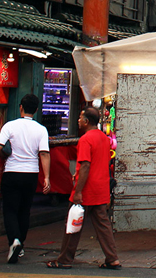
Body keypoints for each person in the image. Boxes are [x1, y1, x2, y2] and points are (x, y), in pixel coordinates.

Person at [47, 107, 121, 270]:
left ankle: (65, 259)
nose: (78, 120)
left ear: (87, 121)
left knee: (73, 224)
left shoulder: (85, 140)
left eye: (80, 117)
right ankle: (112, 257)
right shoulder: (104, 138)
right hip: (101, 189)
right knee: (103, 226)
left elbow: (86, 165)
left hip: (86, 189)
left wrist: (78, 190)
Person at [0, 93, 51, 263]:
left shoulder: (9, 126)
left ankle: (14, 240)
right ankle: (20, 244)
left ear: (21, 107)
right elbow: (44, 154)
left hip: (12, 172)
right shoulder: (41, 129)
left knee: (10, 209)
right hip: (31, 174)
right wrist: (47, 177)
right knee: (24, 210)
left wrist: (5, 156)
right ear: (36, 110)